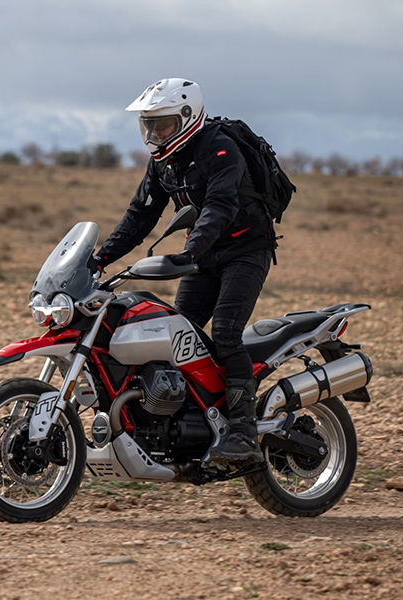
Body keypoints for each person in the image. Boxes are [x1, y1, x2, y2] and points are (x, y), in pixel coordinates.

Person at [91, 78, 278, 465]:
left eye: (163, 124)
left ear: (188, 117)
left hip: (245, 249)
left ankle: (243, 432)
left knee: (225, 333)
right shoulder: (164, 161)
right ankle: (194, 423)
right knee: (178, 336)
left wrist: (190, 249)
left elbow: (219, 206)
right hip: (205, 256)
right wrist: (98, 259)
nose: (155, 133)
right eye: (150, 125)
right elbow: (140, 215)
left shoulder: (220, 148)